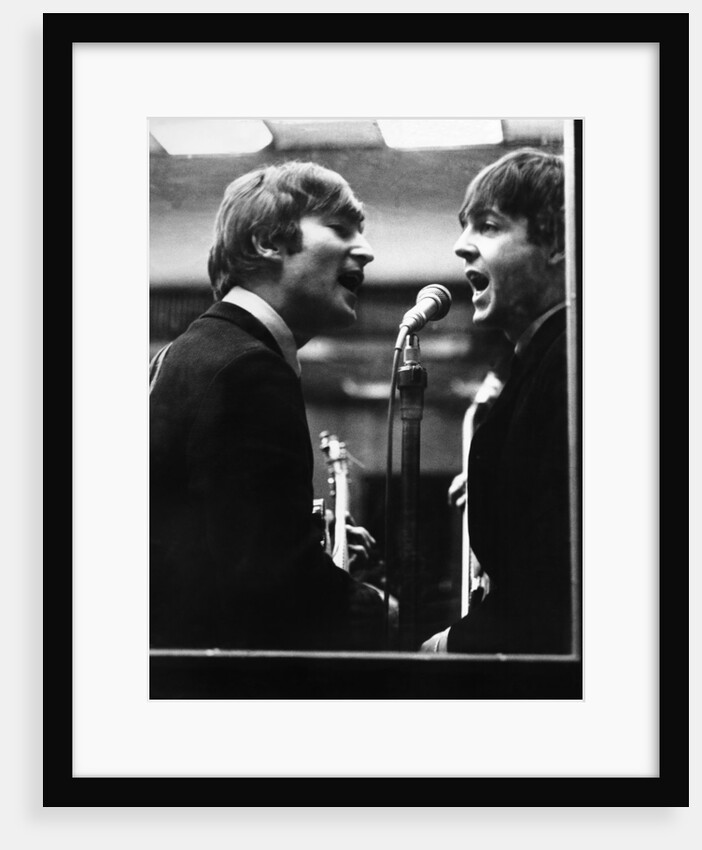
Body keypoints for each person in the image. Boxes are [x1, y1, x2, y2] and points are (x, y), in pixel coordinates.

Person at [149, 160, 385, 652]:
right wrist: (366, 605)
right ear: (266, 243)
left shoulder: (196, 351)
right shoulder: (247, 370)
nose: (366, 251)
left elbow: (213, 543)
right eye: (340, 229)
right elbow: (267, 580)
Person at [421, 147, 573, 654]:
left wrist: (456, 645)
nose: (463, 246)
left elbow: (557, 590)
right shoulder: (539, 360)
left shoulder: (571, 363)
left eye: (488, 226)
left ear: (557, 243)